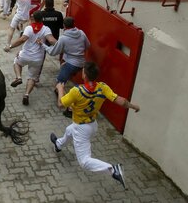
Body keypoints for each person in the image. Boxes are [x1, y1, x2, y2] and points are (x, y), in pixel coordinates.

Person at [49, 62, 140, 190]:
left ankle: (113, 170)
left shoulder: (77, 91)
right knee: (69, 130)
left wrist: (60, 89)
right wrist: (132, 106)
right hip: (92, 125)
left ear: (84, 75)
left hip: (81, 128)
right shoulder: (102, 87)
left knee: (84, 162)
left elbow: (60, 104)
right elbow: (121, 101)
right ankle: (58, 145)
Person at [4, 11, 56, 106]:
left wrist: (10, 46)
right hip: (38, 58)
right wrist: (63, 45)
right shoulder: (46, 29)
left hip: (25, 55)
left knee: (17, 62)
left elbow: (22, 39)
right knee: (32, 77)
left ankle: (18, 77)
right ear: (42, 19)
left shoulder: (29, 28)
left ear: (33, 19)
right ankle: (26, 94)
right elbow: (52, 40)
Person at [41, 17, 89, 107]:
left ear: (64, 26)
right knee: (64, 67)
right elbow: (87, 45)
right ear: (74, 24)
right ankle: (58, 90)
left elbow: (52, 52)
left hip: (71, 64)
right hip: (82, 63)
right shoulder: (82, 33)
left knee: (60, 83)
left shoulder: (63, 38)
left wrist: (43, 44)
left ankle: (63, 103)